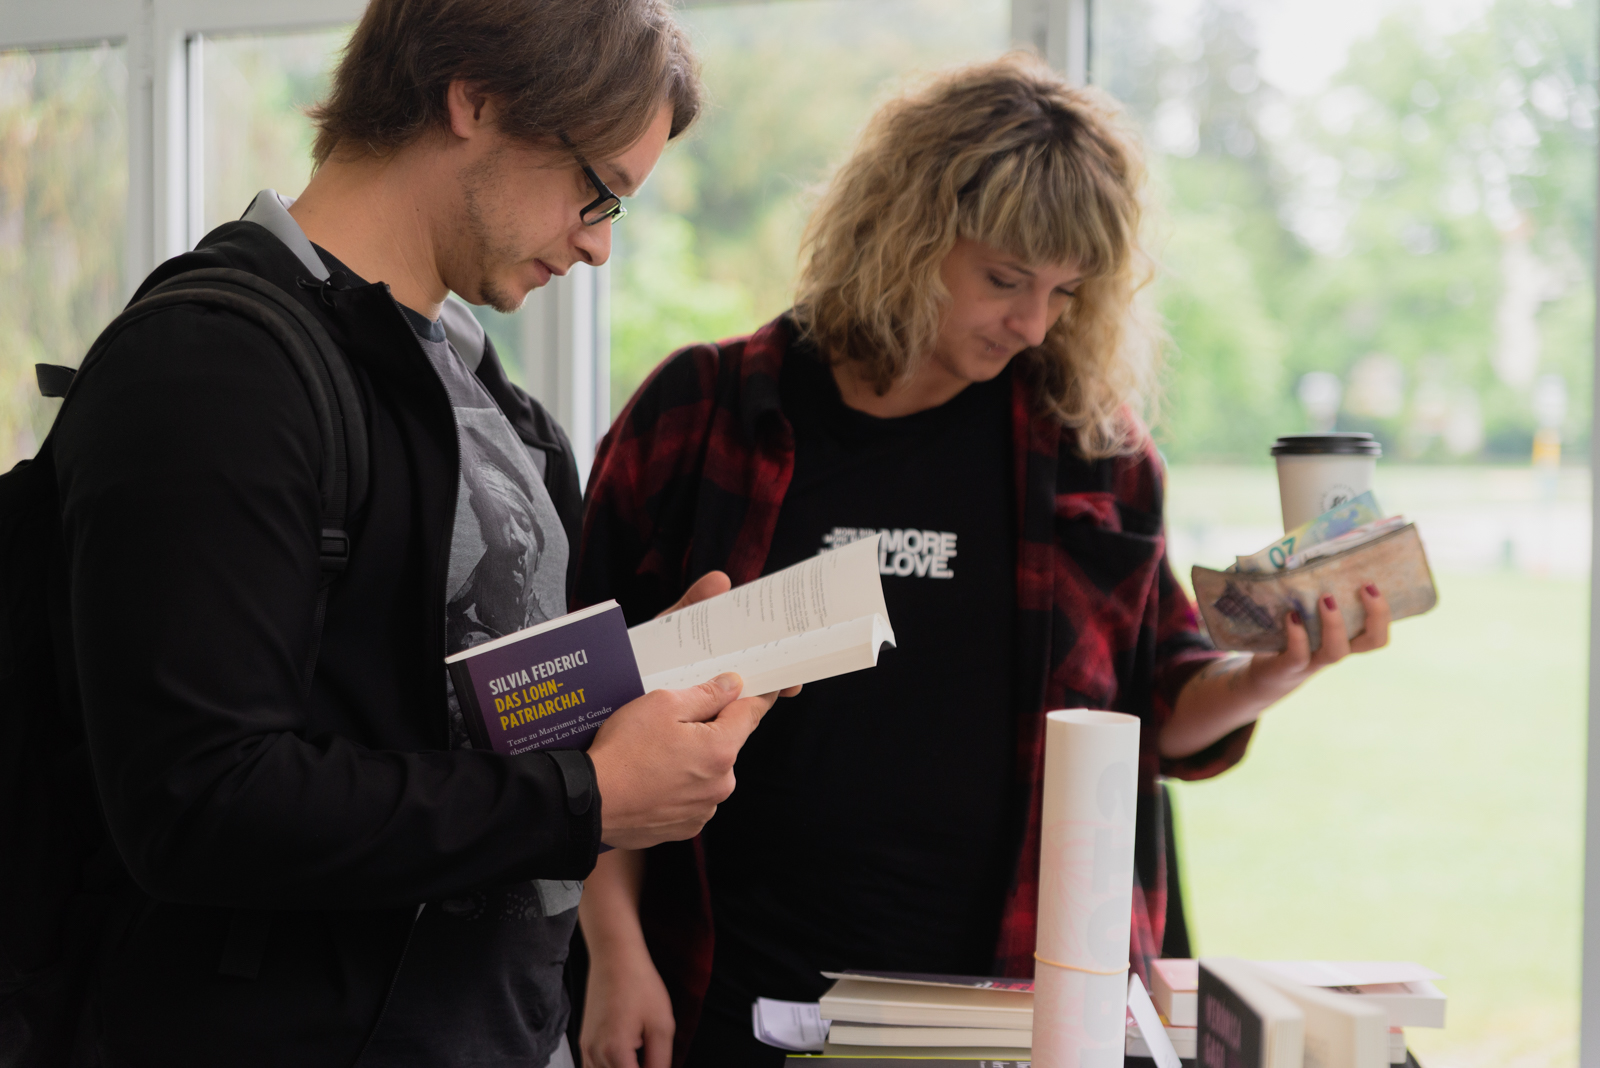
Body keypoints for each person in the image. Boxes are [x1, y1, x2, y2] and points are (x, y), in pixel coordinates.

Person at [574, 54, 1393, 1068]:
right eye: (1004, 280)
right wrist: (615, 951)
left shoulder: (1094, 454)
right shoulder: (702, 415)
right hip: (728, 991)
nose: (1033, 323)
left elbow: (1161, 709)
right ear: (902, 233)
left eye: (1065, 290)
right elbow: (592, 716)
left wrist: (1274, 667)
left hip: (1019, 1012)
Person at [46, 2, 783, 1065]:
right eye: (597, 190)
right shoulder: (211, 369)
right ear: (473, 100)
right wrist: (590, 799)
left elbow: (440, 716)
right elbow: (200, 801)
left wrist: (654, 676)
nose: (599, 244)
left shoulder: (485, 395)